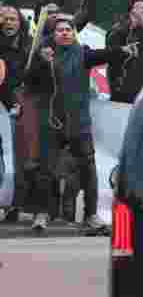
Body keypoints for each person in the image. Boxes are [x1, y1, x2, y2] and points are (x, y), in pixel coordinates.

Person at [22, 15, 132, 233]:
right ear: (53, 35)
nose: (65, 33)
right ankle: (42, 213)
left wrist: (124, 50)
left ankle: (91, 214)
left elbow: (106, 54)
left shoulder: (83, 54)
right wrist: (41, 62)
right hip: (52, 121)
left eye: (69, 30)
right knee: (45, 169)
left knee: (88, 168)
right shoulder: (43, 55)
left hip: (78, 122)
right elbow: (29, 81)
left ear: (74, 34)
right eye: (60, 30)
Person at [0, 5, 28, 223]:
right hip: (7, 106)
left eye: (13, 19)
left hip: (20, 109)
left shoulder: (28, 47)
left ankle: (16, 205)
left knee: (20, 160)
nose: (9, 23)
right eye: (5, 19)